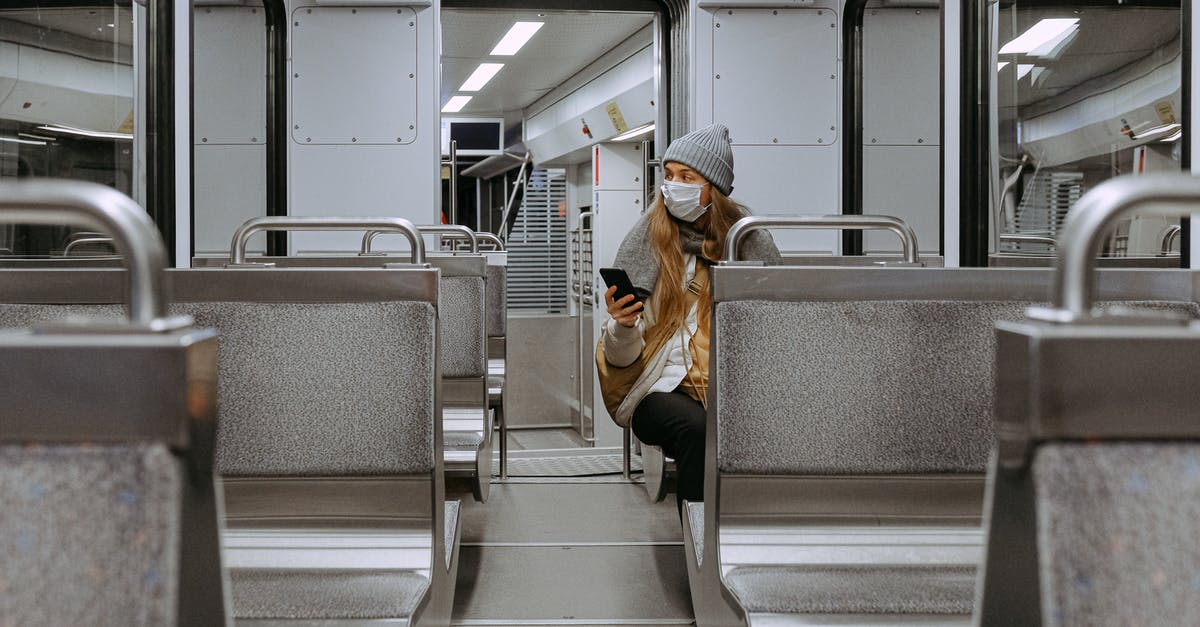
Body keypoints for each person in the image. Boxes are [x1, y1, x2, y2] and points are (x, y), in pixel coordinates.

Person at [598, 123, 780, 514]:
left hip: (732, 386)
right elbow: (620, 360)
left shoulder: (747, 243)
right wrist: (622, 326)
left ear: (713, 188)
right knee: (697, 429)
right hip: (660, 390)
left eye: (686, 176)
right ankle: (699, 542)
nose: (672, 185)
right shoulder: (648, 241)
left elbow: (774, 327)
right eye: (668, 175)